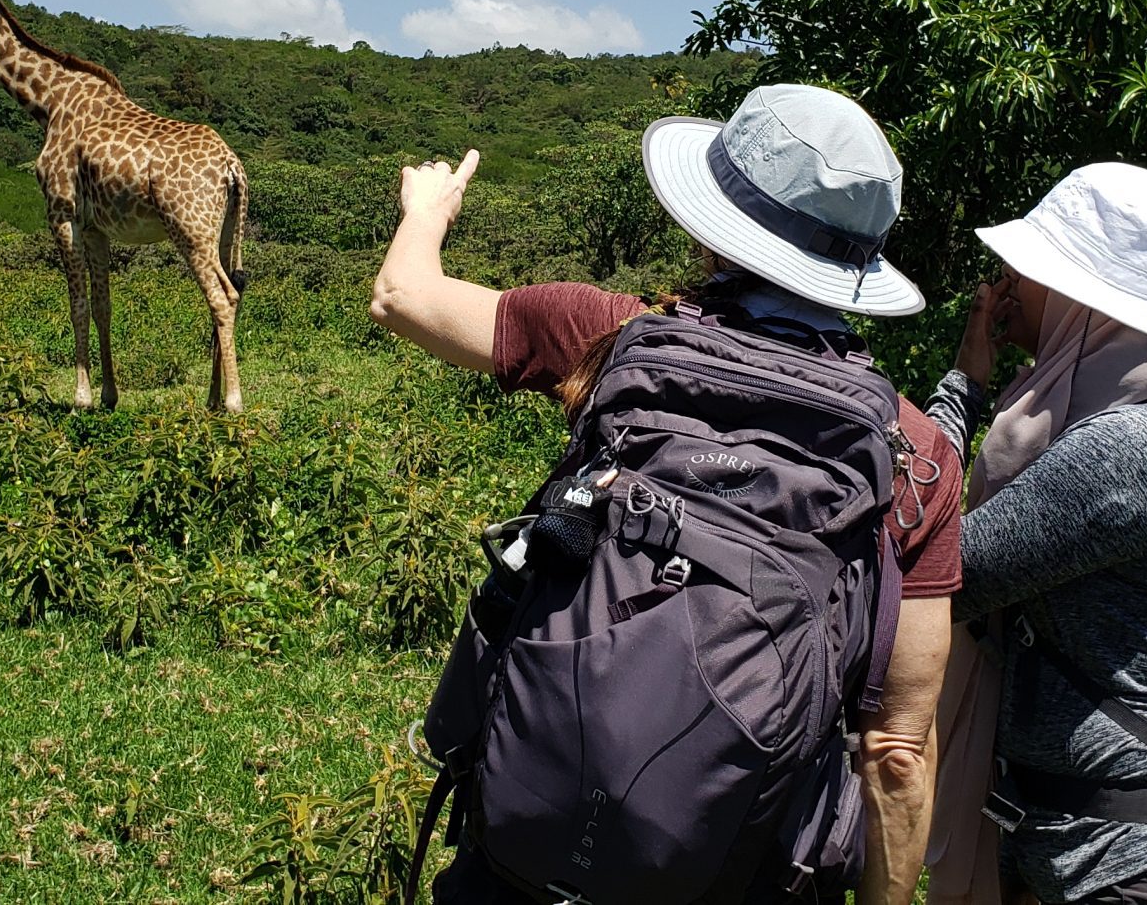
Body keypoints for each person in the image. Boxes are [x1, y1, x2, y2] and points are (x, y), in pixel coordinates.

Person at [368, 84, 966, 905]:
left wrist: (427, 209)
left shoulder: (608, 334)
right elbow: (897, 750)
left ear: (710, 225)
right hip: (744, 868)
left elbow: (403, 297)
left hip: (525, 856)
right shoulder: (915, 453)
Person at [929, 162, 1147, 905]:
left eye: (1030, 269)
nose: (1006, 284)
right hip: (1115, 859)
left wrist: (958, 391)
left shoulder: (1137, 448)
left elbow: (942, 573)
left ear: (1085, 298)